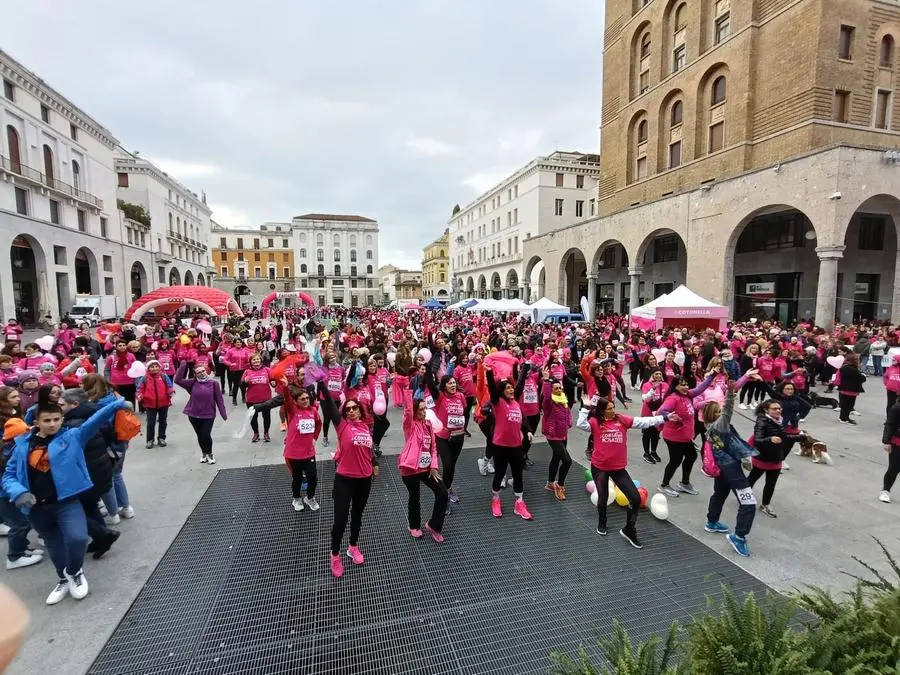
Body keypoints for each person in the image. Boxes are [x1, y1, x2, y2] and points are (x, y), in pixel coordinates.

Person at [1, 397, 128, 605]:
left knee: (77, 538)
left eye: (56, 419)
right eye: (47, 420)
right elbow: (9, 475)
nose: (52, 424)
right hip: (36, 508)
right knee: (54, 544)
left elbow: (94, 421)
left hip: (66, 503)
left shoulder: (72, 437)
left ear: (61, 420)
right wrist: (19, 493)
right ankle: (63, 578)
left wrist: (118, 404)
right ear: (37, 422)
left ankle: (74, 572)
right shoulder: (23, 445)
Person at [577, 399, 673, 549]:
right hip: (600, 467)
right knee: (603, 497)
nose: (613, 410)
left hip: (618, 468)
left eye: (613, 407)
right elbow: (581, 424)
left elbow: (643, 421)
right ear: (602, 411)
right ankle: (602, 521)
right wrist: (584, 407)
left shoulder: (622, 420)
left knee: (635, 499)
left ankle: (629, 530)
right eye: (609, 408)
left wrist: (664, 418)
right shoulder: (596, 422)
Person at [318, 382, 376, 578]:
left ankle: (352, 547)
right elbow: (330, 406)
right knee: (340, 520)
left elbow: (368, 451)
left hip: (364, 480)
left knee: (357, 515)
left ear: (360, 411)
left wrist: (374, 464)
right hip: (344, 479)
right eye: (348, 409)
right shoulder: (342, 427)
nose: (351, 411)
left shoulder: (366, 429)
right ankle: (335, 555)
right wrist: (321, 384)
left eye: (354, 408)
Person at [702, 381, 758, 558]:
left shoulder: (709, 429)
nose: (721, 414)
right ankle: (739, 537)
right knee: (748, 503)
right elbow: (728, 411)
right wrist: (731, 395)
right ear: (713, 416)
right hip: (731, 468)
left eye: (720, 412)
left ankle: (712, 522)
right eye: (717, 413)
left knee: (719, 494)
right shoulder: (720, 425)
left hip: (723, 467)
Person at [484, 364, 534, 520]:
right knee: (499, 474)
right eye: (507, 389)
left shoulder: (516, 403)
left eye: (511, 388)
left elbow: (519, 386)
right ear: (501, 391)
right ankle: (496, 500)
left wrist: (524, 369)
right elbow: (492, 389)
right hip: (500, 447)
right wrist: (490, 373)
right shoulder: (497, 403)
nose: (511, 390)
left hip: (516, 447)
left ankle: (519, 503)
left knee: (518, 476)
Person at [656, 371, 715, 498]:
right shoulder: (673, 398)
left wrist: (712, 375)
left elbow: (700, 389)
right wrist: (668, 416)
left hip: (685, 437)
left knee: (691, 456)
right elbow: (661, 411)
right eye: (683, 385)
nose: (686, 387)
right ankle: (664, 485)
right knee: (675, 461)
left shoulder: (687, 395)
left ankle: (684, 483)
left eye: (687, 384)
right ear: (676, 386)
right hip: (674, 437)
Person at [397, 392, 447, 541]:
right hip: (410, 469)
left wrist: (434, 466)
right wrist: (406, 389)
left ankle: (434, 525)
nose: (424, 412)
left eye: (425, 408)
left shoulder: (428, 425)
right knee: (415, 497)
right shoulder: (410, 425)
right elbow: (407, 412)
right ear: (415, 411)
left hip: (426, 468)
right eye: (420, 409)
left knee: (442, 493)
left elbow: (433, 448)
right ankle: (414, 526)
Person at [748, 399, 804, 518]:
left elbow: (783, 437)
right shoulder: (762, 422)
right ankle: (744, 495)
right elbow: (758, 441)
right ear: (766, 410)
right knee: (753, 478)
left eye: (779, 408)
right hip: (763, 458)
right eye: (774, 408)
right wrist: (770, 439)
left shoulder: (779, 421)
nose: (778, 410)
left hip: (776, 457)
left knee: (771, 484)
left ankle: (765, 504)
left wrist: (800, 437)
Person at [0, 418, 44, 569]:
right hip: (6, 497)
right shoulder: (8, 454)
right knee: (20, 524)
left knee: (23, 522)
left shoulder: (9, 448)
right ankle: (14, 557)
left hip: (9, 496)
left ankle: (22, 548)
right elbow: (8, 479)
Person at [276, 378, 320, 512]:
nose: (306, 400)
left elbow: (318, 424)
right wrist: (284, 387)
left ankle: (310, 497)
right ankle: (297, 499)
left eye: (307, 398)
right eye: (302, 399)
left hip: (308, 452)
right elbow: (288, 400)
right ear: (296, 401)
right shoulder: (293, 410)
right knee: (297, 479)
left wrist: (315, 438)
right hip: (294, 453)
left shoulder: (313, 411)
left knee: (313, 477)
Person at [174, 361, 227, 464]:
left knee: (206, 434)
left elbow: (219, 399)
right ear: (195, 374)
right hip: (194, 414)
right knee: (199, 435)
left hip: (208, 414)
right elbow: (177, 380)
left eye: (203, 371)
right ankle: (204, 453)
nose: (202, 373)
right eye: (199, 372)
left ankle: (210, 453)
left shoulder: (214, 383)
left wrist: (223, 413)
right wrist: (183, 365)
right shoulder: (192, 382)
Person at [541, 369, 572, 501]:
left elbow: (568, 413)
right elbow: (547, 396)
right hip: (553, 436)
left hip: (563, 434)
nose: (558, 390)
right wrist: (547, 381)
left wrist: (569, 423)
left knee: (556, 458)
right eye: (555, 388)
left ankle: (549, 483)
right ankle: (559, 485)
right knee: (567, 461)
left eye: (560, 387)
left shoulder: (563, 399)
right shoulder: (549, 403)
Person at [135, 360, 174, 449]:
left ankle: (161, 438)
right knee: (151, 422)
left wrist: (171, 392)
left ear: (159, 367)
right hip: (150, 404)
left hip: (164, 403)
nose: (154, 368)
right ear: (148, 368)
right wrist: (139, 395)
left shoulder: (164, 376)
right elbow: (139, 388)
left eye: (156, 366)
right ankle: (150, 440)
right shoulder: (144, 378)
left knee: (163, 421)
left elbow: (169, 386)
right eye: (152, 367)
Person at [242, 354, 273, 443]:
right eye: (254, 360)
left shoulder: (267, 370)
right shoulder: (247, 371)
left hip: (266, 398)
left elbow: (273, 381)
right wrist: (245, 381)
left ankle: (266, 433)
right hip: (252, 398)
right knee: (253, 417)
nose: (256, 361)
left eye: (257, 359)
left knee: (266, 416)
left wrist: (274, 382)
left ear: (261, 360)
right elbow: (242, 385)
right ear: (251, 362)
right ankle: (256, 434)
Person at [880, 399, 900, 503]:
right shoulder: (896, 408)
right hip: (897, 442)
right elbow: (889, 424)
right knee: (894, 469)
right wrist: (886, 441)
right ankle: (885, 490)